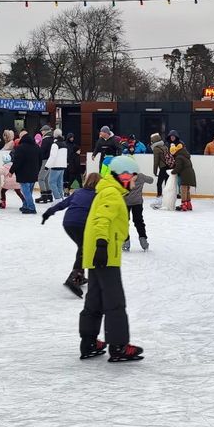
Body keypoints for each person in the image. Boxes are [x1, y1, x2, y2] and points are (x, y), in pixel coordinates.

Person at [80, 155, 144, 363]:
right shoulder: (112, 195)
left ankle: (89, 341)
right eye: (133, 177)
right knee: (115, 301)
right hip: (105, 253)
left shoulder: (107, 191)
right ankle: (118, 346)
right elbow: (101, 220)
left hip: (98, 252)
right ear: (123, 175)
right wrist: (101, 246)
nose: (134, 182)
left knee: (95, 298)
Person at [43, 173, 101, 298]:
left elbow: (62, 204)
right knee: (84, 248)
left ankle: (79, 276)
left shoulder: (78, 192)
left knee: (82, 247)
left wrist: (48, 212)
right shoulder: (97, 196)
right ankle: (75, 278)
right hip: (82, 224)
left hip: (68, 223)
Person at [121, 168, 154, 252]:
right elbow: (151, 180)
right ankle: (143, 240)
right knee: (139, 221)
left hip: (125, 203)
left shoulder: (123, 177)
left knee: (124, 222)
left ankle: (126, 241)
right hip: (137, 203)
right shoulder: (141, 176)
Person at [10, 134, 41, 214]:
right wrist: (38, 170)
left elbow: (17, 162)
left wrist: (11, 171)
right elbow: (40, 160)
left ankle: (31, 208)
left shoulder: (20, 148)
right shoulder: (37, 147)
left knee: (26, 192)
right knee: (29, 192)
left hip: (23, 173)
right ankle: (26, 206)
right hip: (34, 173)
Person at [168, 130, 197, 211]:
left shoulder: (179, 157)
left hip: (185, 174)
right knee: (187, 190)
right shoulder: (184, 154)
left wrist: (172, 172)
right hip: (190, 174)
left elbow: (178, 167)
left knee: (183, 189)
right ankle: (189, 204)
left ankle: (183, 204)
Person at [46, 130, 69, 203]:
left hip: (55, 166)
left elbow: (53, 156)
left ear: (54, 135)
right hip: (62, 166)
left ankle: (57, 198)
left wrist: (47, 166)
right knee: (59, 183)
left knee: (51, 182)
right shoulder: (64, 144)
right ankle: (61, 198)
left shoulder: (55, 144)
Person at [150, 133, 170, 208]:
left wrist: (155, 171)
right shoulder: (165, 146)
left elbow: (156, 161)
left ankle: (159, 199)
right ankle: (167, 199)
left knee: (159, 184)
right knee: (166, 184)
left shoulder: (156, 149)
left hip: (163, 168)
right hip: (168, 167)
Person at [36, 125, 54, 203]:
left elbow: (42, 151)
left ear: (46, 131)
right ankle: (49, 195)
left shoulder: (46, 140)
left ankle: (44, 196)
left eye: (42, 131)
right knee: (46, 178)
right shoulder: (52, 139)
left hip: (45, 160)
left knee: (40, 178)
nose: (41, 132)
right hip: (50, 160)